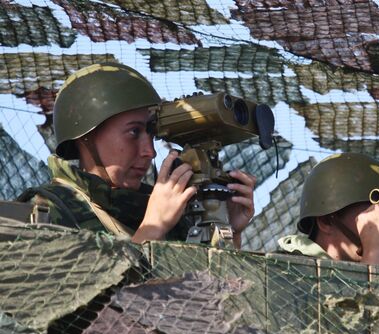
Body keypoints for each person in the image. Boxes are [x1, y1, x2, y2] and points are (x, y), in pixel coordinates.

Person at [18, 62, 255, 245]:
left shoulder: (167, 213)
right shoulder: (47, 211)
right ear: (86, 136)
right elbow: (71, 302)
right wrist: (152, 229)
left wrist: (227, 231)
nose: (149, 151)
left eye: (151, 133)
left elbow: (212, 298)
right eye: (133, 132)